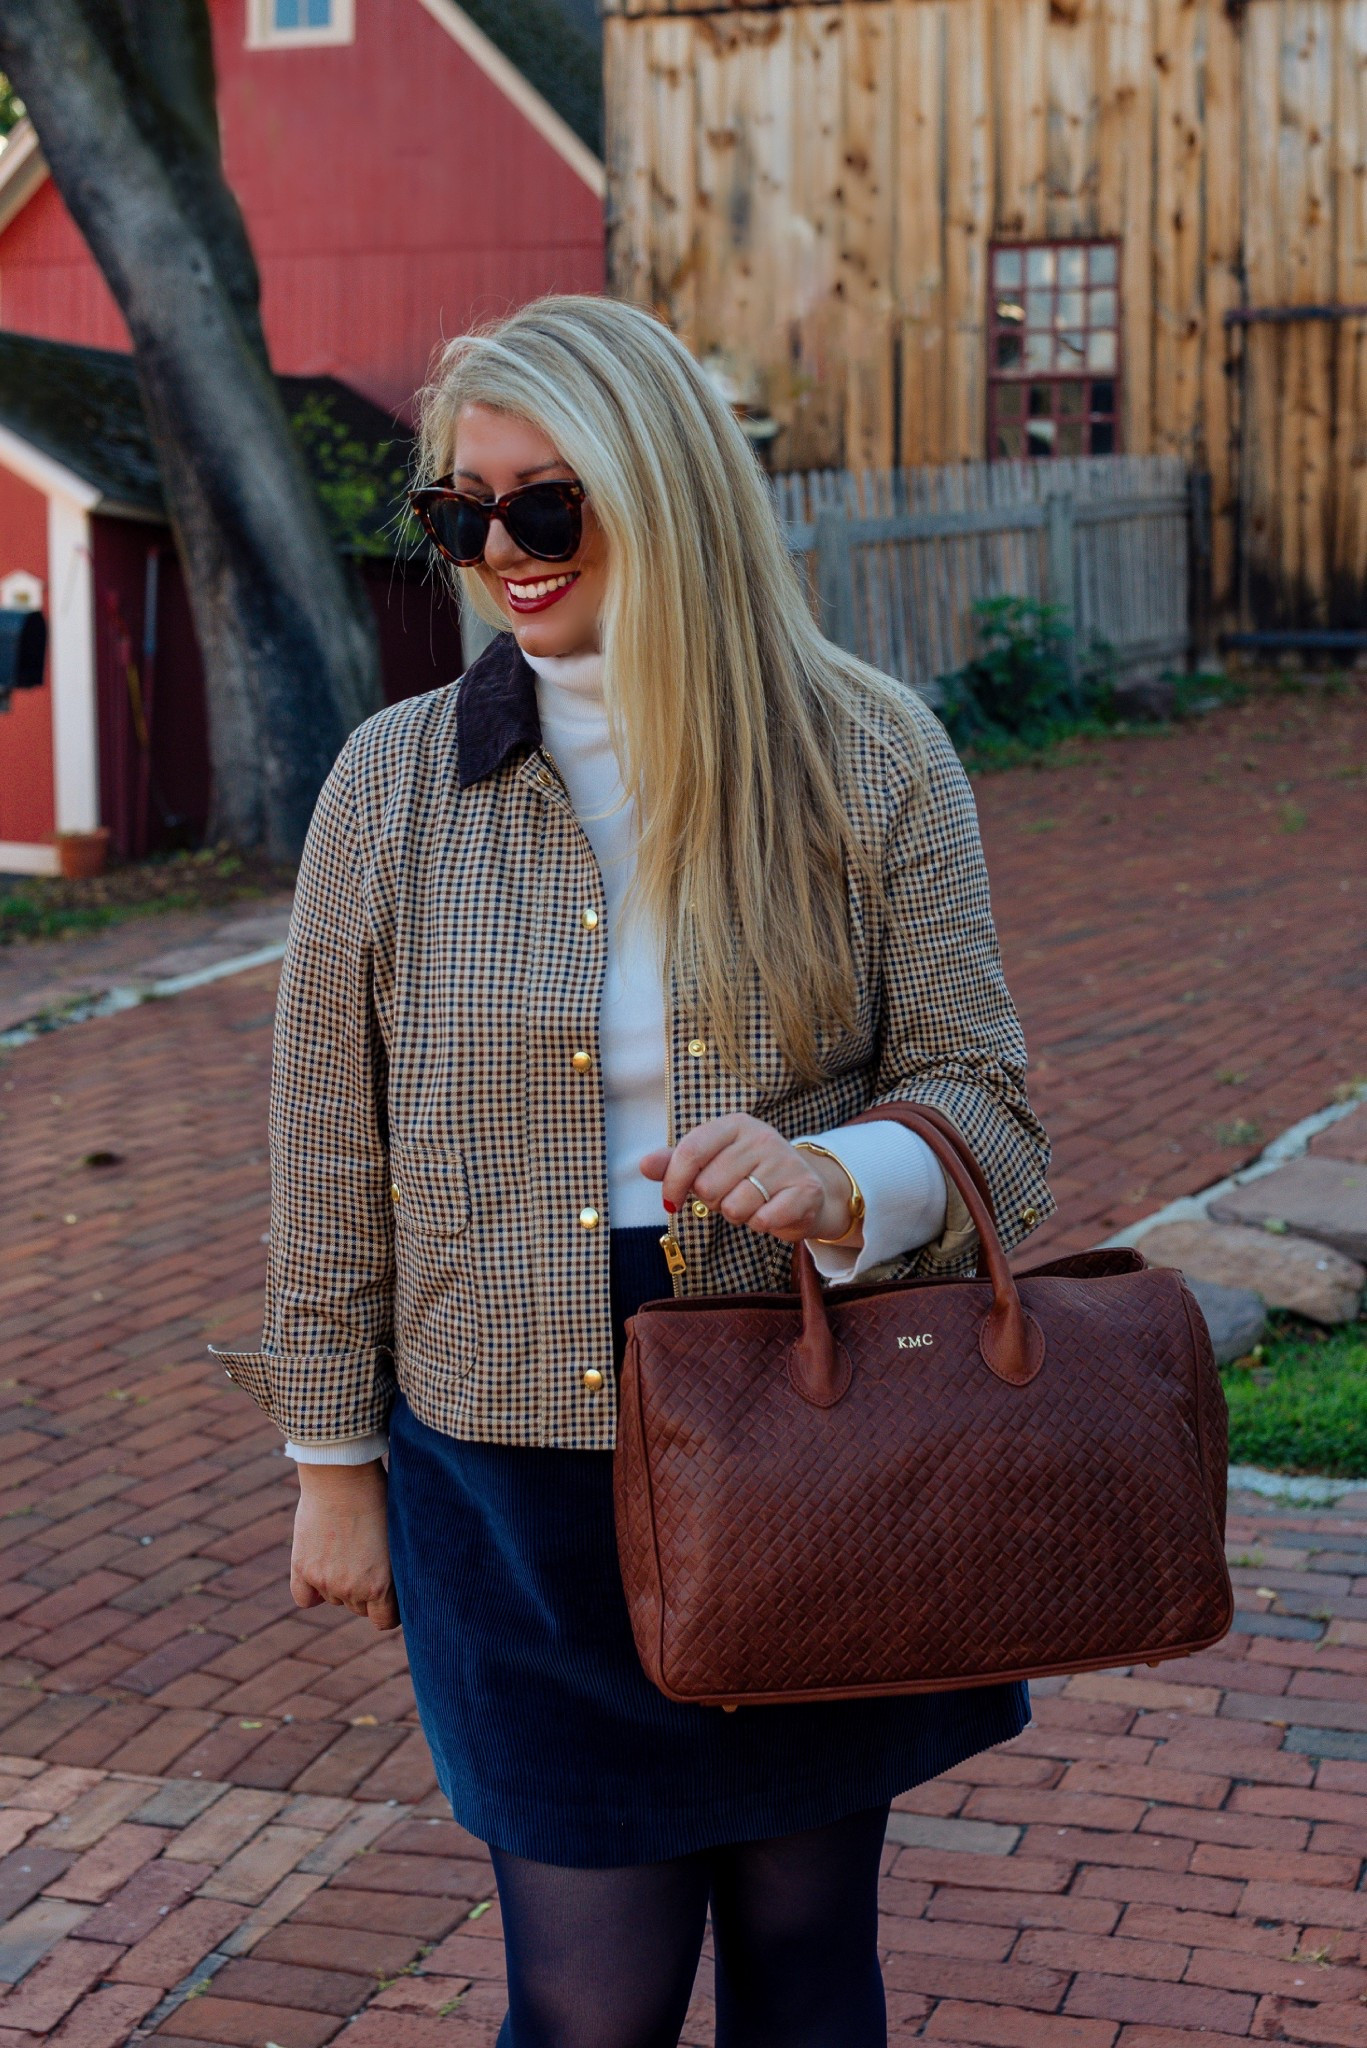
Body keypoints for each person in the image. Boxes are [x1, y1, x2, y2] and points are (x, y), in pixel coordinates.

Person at [217, 295, 1052, 2048]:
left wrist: (842, 1180)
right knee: (585, 2008)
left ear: (664, 489)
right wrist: (330, 1462)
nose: (500, 554)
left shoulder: (871, 753)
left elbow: (988, 1101)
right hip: (505, 1474)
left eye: (548, 505)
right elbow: (324, 1146)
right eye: (462, 514)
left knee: (809, 1967)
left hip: (800, 1441)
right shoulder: (390, 786)